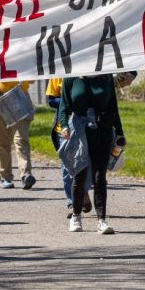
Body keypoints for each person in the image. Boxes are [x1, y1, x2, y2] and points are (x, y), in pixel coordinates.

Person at [57, 73, 125, 235]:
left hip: (103, 130)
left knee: (99, 177)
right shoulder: (71, 76)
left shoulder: (106, 77)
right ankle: (76, 217)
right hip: (79, 131)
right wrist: (64, 125)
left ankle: (101, 220)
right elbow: (63, 106)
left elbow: (113, 106)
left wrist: (120, 132)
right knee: (79, 175)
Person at [46, 78, 91, 218]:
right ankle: (72, 203)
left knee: (85, 164)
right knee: (67, 168)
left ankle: (83, 192)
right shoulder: (57, 75)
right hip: (63, 129)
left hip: (85, 126)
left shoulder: (87, 75)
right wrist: (68, 101)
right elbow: (50, 100)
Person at [0, 79, 35, 190]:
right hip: (0, 98)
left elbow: (33, 79)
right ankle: (6, 177)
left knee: (21, 140)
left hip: (21, 97)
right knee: (2, 142)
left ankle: (26, 174)